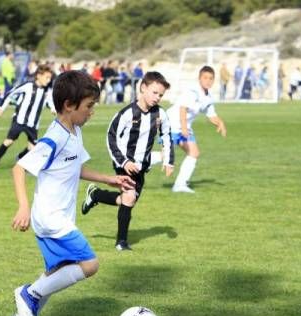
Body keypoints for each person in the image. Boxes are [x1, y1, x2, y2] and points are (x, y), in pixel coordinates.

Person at [7, 70, 134, 316]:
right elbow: (19, 169)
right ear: (68, 105)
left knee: (57, 272)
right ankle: (28, 294)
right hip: (50, 218)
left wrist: (109, 179)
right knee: (90, 264)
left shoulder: (74, 131)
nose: (92, 112)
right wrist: (23, 207)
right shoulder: (54, 138)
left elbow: (76, 167)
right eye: (89, 106)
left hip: (61, 216)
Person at [81, 71, 174, 251]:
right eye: (154, 93)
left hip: (142, 166)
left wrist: (168, 161)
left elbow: (167, 136)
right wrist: (123, 162)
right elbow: (111, 137)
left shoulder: (161, 114)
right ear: (143, 88)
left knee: (125, 200)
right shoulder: (127, 113)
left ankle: (96, 195)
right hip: (125, 163)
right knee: (129, 197)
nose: (157, 98)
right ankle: (121, 242)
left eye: (161, 95)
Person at [167, 65, 227, 194]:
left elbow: (211, 115)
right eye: (205, 78)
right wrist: (183, 129)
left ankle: (179, 185)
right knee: (170, 155)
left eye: (211, 78)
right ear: (199, 79)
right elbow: (182, 108)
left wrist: (220, 122)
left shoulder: (208, 97)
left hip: (184, 127)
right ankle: (137, 162)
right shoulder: (192, 92)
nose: (208, 81)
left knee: (192, 153)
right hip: (172, 123)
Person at [0, 64, 54, 169]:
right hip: (19, 120)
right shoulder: (28, 86)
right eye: (47, 77)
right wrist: (1, 107)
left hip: (33, 124)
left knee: (32, 148)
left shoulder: (46, 91)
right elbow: (11, 93)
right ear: (38, 76)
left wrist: (53, 109)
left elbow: (49, 102)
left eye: (50, 78)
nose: (49, 80)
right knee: (9, 141)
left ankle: (20, 158)